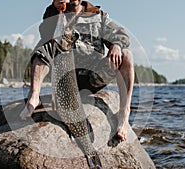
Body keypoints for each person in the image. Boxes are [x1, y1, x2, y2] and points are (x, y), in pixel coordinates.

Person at [20, 0, 134, 142]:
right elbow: (45, 32)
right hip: (64, 79)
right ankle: (34, 97)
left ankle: (124, 112)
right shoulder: (55, 11)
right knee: (43, 49)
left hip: (93, 76)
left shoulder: (98, 16)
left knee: (126, 54)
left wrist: (116, 45)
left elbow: (122, 35)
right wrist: (56, 9)